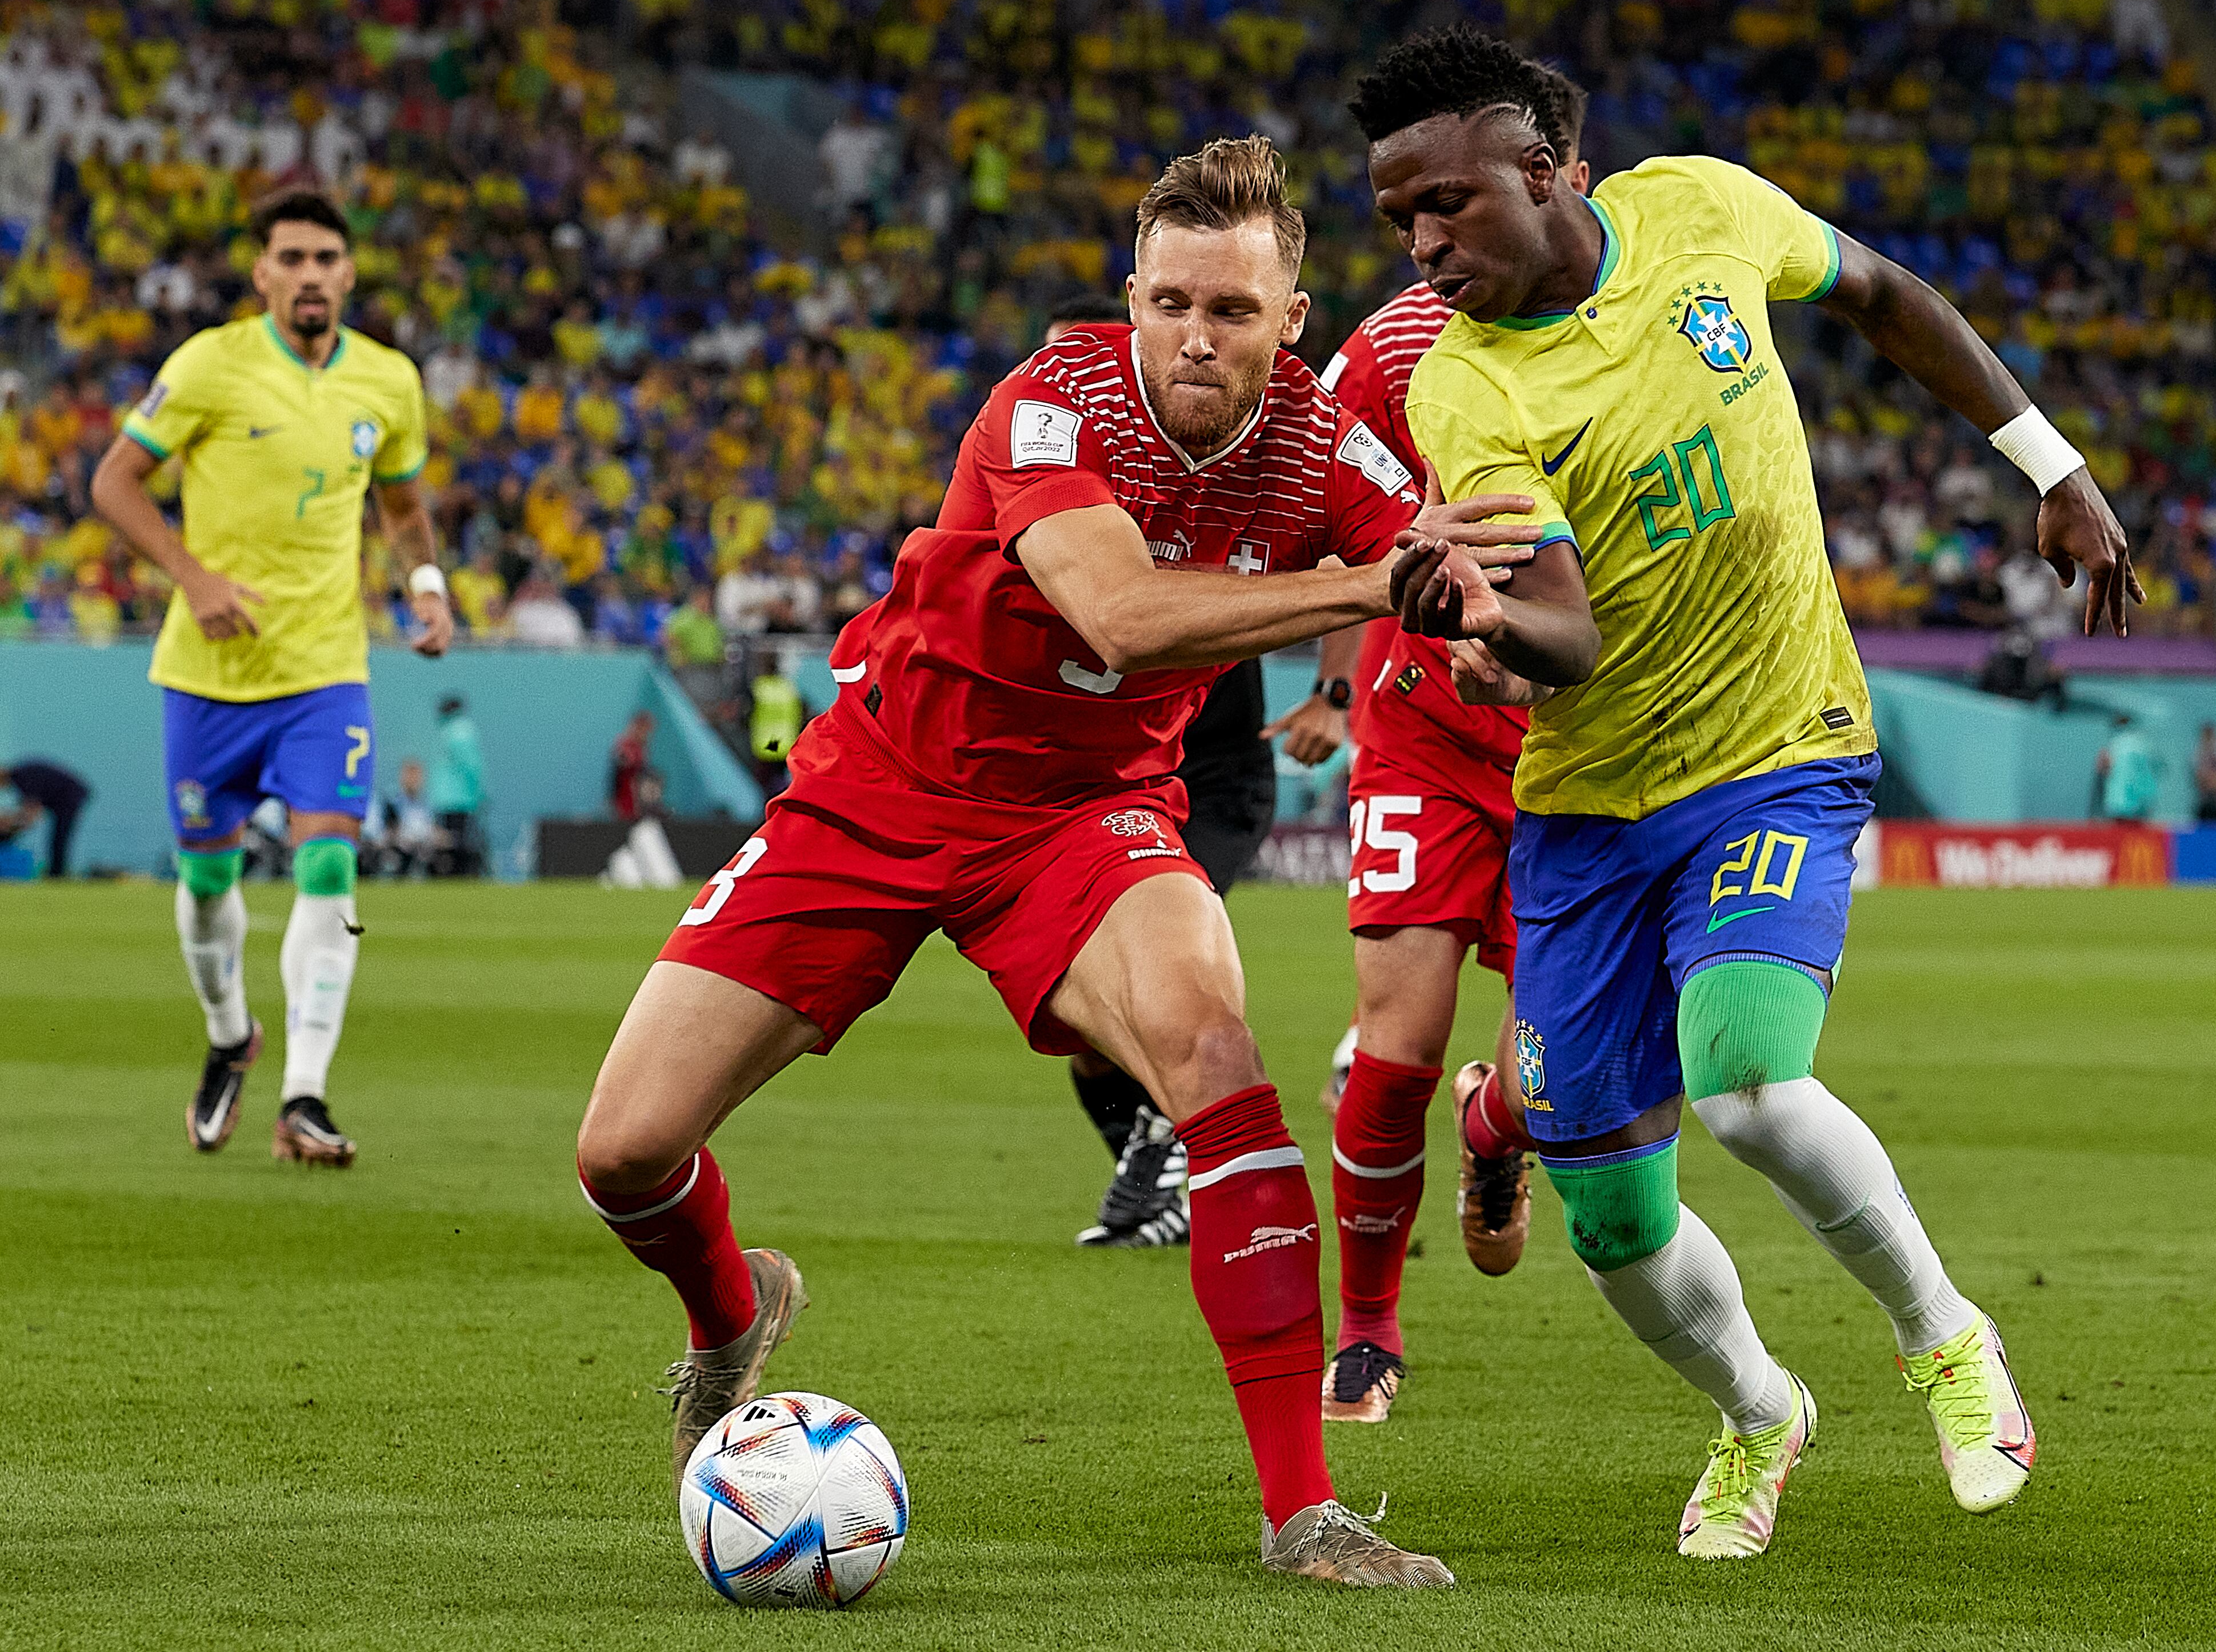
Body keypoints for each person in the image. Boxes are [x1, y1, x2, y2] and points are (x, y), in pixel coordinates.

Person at [571, 138, 1533, 1585]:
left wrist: (1484, 642)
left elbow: (1457, 584)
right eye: (1168, 303)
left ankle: (1304, 1513)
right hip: (880, 788)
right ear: (1130, 297)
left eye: (1229, 310)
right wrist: (1370, 587)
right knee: (624, 1151)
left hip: (1084, 817)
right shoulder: (1047, 404)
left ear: (1291, 322)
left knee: (1218, 1056)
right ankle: (728, 1316)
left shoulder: (1329, 451)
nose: (1192, 337)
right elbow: (1120, 615)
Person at [1354, 26, 2142, 1557]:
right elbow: (1567, 638)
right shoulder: (1461, 390)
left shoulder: (1702, 210)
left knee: (1750, 1081)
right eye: (1398, 221)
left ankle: (1943, 1338)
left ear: (1552, 169)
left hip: (1780, 744)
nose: (1424, 244)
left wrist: (2049, 462)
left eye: (1446, 203)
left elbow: (1889, 299)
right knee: (1613, 1221)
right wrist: (1484, 624)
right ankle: (1758, 1414)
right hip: (1591, 808)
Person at [1303, 57, 1589, 1425]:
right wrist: (1319, 682)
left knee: (1568, 1075)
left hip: (1578, 761)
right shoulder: (1389, 354)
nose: (1432, 245)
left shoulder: (1645, 348)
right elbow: (1326, 516)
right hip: (1419, 733)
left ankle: (1498, 1133)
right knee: (1392, 1044)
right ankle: (1365, 1329)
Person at [89, 187, 452, 1168]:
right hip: (209, 676)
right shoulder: (211, 363)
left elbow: (405, 509)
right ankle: (228, 1036)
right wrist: (193, 578)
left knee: (328, 863)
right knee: (209, 883)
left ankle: (305, 1096)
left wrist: (424, 585)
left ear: (347, 273)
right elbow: (112, 481)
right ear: (263, 274)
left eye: (326, 259)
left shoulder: (387, 381)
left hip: (326, 673)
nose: (309, 275)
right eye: (290, 258)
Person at [1036, 294, 1349, 1251]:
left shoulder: (1205, 480)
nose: (1060, 385)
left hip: (1204, 785)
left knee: (1149, 996)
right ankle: (1153, 1166)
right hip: (1094, 796)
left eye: (1079, 360)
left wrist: (1336, 698)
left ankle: (1170, 1180)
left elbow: (1350, 548)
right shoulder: (1049, 496)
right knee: (1079, 1025)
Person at [1, 758, 90, 878]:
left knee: (60, 837)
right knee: (59, 837)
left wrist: (11, 829)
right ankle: (57, 872)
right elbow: (30, 809)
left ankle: (57, 873)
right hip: (68, 797)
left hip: (69, 798)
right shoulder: (22, 776)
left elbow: (32, 810)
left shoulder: (23, 777)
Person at [429, 694, 484, 877]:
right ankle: (460, 875)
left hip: (442, 799)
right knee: (460, 843)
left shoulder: (445, 732)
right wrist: (480, 794)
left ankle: (447, 874)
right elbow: (472, 766)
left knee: (446, 842)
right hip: (462, 799)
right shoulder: (464, 731)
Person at [747, 650, 803, 798]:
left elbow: (747, 713)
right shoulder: (788, 688)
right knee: (782, 779)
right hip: (786, 742)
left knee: (765, 783)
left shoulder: (759, 687)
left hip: (766, 744)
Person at [2098, 714, 2159, 822]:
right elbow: (2158, 768)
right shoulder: (2144, 743)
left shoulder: (2116, 744)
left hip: (2119, 803)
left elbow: (2103, 767)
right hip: (2142, 803)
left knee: (2120, 835)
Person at [610, 710, 657, 823]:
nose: (647, 734)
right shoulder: (626, 744)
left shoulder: (641, 747)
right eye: (644, 729)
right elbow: (622, 762)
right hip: (626, 800)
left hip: (638, 802)